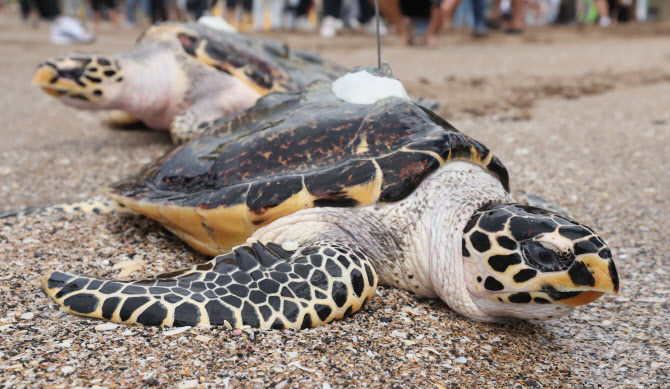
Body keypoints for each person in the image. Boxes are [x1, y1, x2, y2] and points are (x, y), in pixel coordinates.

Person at [23, 0, 96, 44]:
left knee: (60, 35)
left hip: (57, 19)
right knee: (58, 36)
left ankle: (81, 37)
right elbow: (34, 9)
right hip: (56, 20)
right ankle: (81, 37)